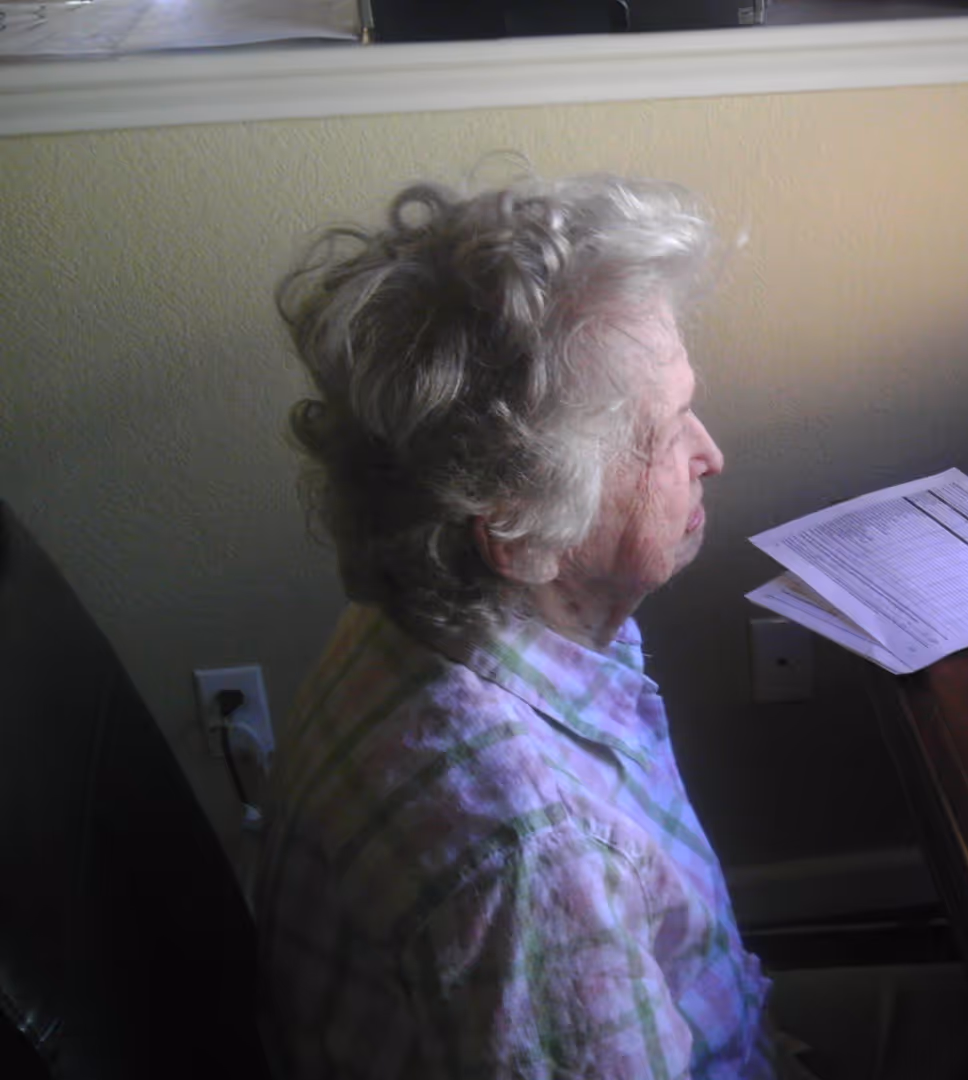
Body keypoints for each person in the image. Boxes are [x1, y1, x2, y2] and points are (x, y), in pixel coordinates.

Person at [255, 174, 767, 1078]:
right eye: (663, 431)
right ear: (520, 526)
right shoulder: (534, 858)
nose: (710, 455)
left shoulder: (412, 604)